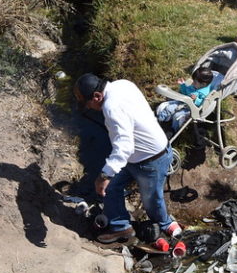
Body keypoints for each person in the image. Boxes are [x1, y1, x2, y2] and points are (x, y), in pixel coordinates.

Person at [74, 74, 182, 243]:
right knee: (111, 188)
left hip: (151, 159)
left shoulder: (111, 107)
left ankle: (164, 225)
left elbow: (124, 146)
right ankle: (122, 228)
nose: (89, 107)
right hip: (137, 156)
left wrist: (104, 175)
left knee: (152, 199)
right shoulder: (123, 84)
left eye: (88, 103)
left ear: (97, 96)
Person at [156, 66, 214, 132]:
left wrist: (196, 100)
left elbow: (203, 105)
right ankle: (158, 120)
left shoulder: (205, 93)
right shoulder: (195, 86)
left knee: (177, 116)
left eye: (195, 82)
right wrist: (183, 85)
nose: (192, 83)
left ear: (203, 84)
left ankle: (173, 130)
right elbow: (185, 92)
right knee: (169, 108)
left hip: (191, 109)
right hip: (183, 102)